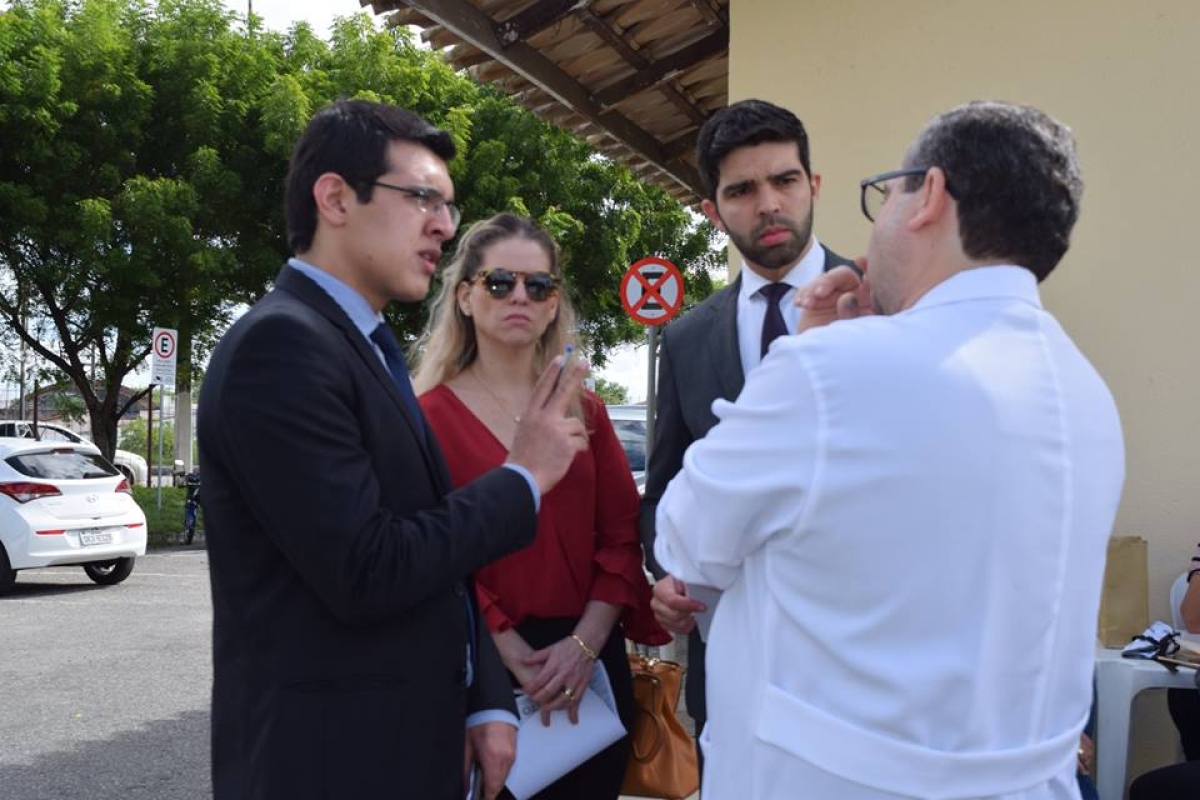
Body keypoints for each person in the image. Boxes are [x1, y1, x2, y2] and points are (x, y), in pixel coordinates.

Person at [654, 100, 1125, 799]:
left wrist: (813, 351)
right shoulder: (1090, 395)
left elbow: (687, 538)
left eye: (889, 192)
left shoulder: (825, 364)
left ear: (928, 196)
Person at [198, 100, 589, 800]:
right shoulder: (282, 346)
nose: (443, 226)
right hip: (329, 761)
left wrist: (483, 697)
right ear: (336, 198)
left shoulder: (365, 345)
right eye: (421, 199)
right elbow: (367, 565)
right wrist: (522, 476)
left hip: (406, 745)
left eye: (448, 206)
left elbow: (434, 548)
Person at [413, 212, 669, 799]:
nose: (520, 296)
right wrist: (507, 649)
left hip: (588, 667)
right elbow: (431, 551)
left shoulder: (587, 411)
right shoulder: (424, 418)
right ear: (466, 298)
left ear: (554, 303)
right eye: (500, 282)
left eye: (539, 285)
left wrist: (583, 647)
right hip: (478, 665)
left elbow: (620, 538)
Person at [639, 98, 856, 750]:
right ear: (713, 211)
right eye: (742, 190)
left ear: (812, 186)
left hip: (858, 662)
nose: (768, 204)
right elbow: (666, 488)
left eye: (784, 181)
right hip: (729, 659)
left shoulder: (882, 304)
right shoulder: (685, 338)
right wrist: (664, 571)